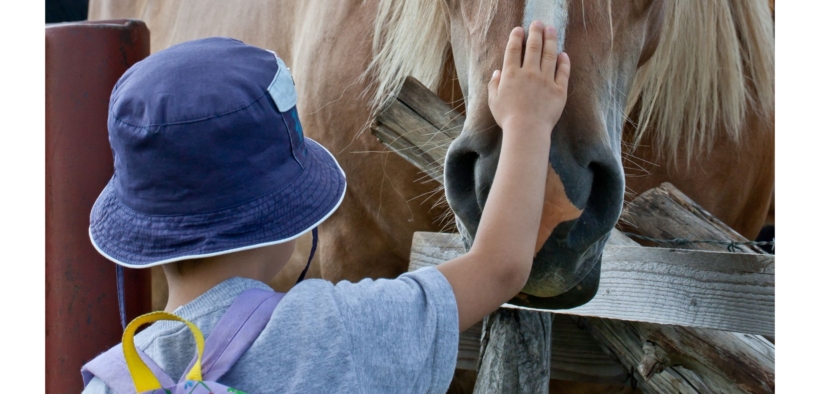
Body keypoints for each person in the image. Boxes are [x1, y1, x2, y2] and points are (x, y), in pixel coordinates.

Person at [82, 20, 570, 393]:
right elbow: (500, 266)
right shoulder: (339, 329)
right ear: (288, 220)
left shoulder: (109, 381)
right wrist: (527, 120)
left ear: (147, 236)